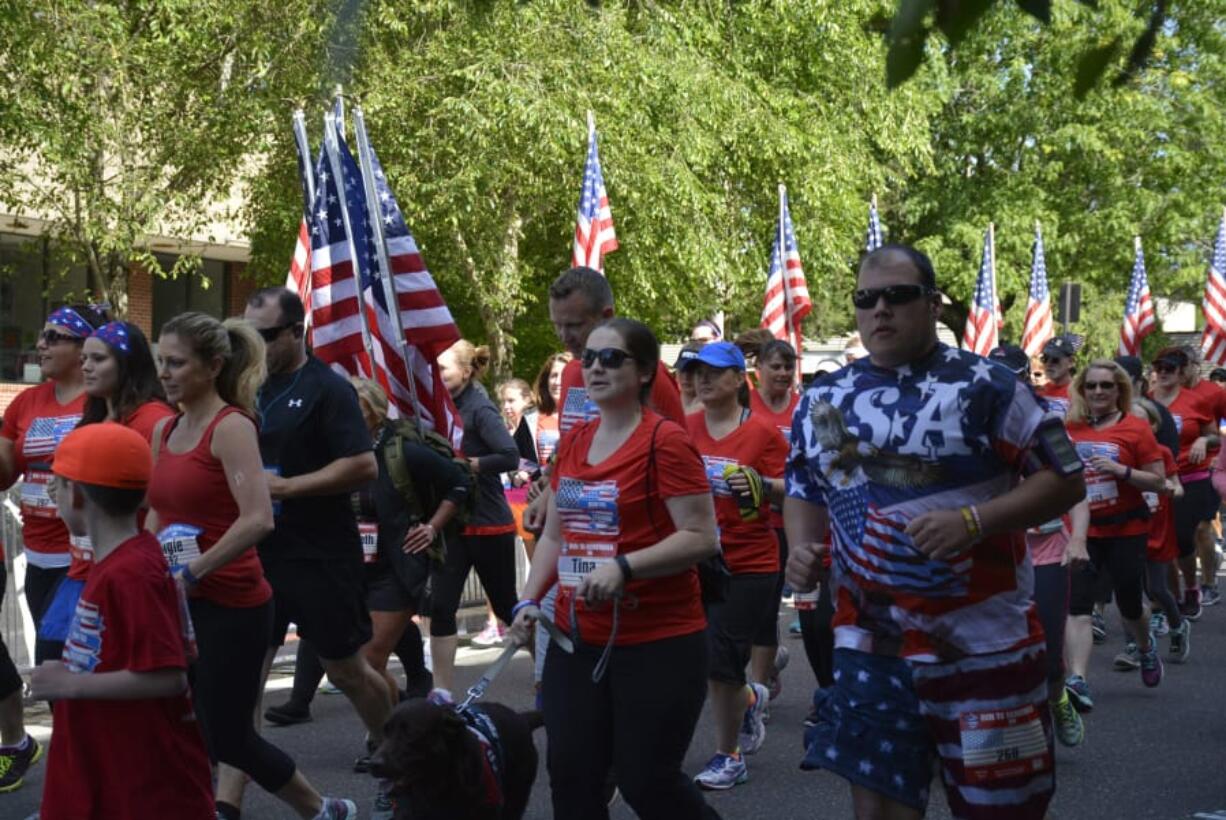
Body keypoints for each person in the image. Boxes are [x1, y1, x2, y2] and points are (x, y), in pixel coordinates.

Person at [785, 244, 1085, 820]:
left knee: (1001, 809)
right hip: (872, 648)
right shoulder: (823, 398)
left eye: (897, 296)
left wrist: (975, 521)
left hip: (986, 651)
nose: (880, 310)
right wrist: (802, 548)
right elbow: (805, 483)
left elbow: (1064, 477)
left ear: (931, 303)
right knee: (879, 810)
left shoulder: (988, 386)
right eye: (865, 299)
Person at [509, 318, 721, 820]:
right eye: (590, 359)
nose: (596, 368)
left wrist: (624, 568)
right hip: (575, 639)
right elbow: (557, 536)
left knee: (647, 782)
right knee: (572, 778)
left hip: (658, 642)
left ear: (646, 371)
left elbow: (701, 537)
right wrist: (527, 599)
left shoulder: (665, 442)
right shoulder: (577, 441)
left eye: (612, 358)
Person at [148, 311, 357, 820]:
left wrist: (192, 573)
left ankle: (323, 809)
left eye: (177, 363)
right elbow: (158, 509)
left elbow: (258, 519)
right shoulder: (163, 429)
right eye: (161, 362)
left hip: (233, 605)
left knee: (229, 738)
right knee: (179, 724)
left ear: (213, 366)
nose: (166, 373)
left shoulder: (233, 427)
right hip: (179, 603)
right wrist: (144, 563)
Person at [237, 287, 388, 788]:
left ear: (295, 332)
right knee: (245, 679)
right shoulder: (241, 386)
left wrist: (288, 487)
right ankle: (228, 800)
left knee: (346, 671)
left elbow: (364, 465)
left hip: (320, 553)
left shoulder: (328, 388)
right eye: (243, 336)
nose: (251, 347)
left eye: (262, 337)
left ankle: (393, 745)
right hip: (256, 550)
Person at [30, 422, 214, 819]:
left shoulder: (132, 572)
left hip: (140, 784)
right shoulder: (122, 562)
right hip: (110, 769)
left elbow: (169, 675)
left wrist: (70, 683)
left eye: (57, 485)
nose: (54, 495)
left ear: (76, 494)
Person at [0, 303, 106, 791]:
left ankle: (85, 778)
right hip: (38, 557)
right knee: (62, 670)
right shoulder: (26, 403)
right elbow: (6, 472)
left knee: (56, 664)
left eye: (54, 336)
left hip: (86, 558)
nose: (41, 344)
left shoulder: (101, 401)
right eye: (41, 335)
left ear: (84, 347)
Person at [679, 342, 787, 790]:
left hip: (751, 563)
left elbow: (795, 487)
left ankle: (730, 756)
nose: (702, 379)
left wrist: (762, 483)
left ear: (738, 380)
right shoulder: (685, 429)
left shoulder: (763, 433)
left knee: (719, 654)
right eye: (696, 371)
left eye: (713, 372)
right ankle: (750, 697)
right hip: (700, 562)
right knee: (702, 658)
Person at [36, 322, 176, 665]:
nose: (86, 367)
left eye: (98, 359)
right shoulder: (96, 415)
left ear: (126, 364)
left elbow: (160, 496)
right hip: (79, 567)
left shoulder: (153, 418)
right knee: (55, 666)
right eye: (84, 358)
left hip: (124, 569)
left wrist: (88, 487)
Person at [991, 345, 1089, 746]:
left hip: (1046, 550)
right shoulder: (965, 427)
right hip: (993, 555)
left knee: (1049, 658)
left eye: (1010, 379)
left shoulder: (1046, 424)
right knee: (988, 653)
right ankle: (1000, 734)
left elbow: (1076, 489)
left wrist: (1079, 538)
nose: (1002, 389)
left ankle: (1057, 695)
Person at [1064, 361, 1167, 692]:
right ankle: (1077, 679)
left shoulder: (1136, 428)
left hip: (1126, 529)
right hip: (1083, 531)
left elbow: (1159, 482)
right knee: (1077, 606)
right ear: (1082, 390)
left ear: (1119, 390)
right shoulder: (1070, 428)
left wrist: (1120, 470)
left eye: (1106, 385)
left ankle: (1146, 648)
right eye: (1091, 385)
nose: (1098, 392)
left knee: (1129, 602)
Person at [430, 339, 520, 694]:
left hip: (488, 523)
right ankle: (441, 693)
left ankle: (546, 673)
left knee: (506, 606)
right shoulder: (437, 406)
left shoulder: (480, 409)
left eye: (442, 369)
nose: (435, 376)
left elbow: (510, 456)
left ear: (465, 372)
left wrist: (470, 466)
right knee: (441, 607)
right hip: (451, 524)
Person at [744, 336, 801, 699]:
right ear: (758, 370)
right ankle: (769, 661)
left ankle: (758, 690)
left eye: (788, 366)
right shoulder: (743, 404)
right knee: (744, 609)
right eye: (775, 366)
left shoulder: (803, 407)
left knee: (767, 605)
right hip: (746, 519)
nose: (782, 372)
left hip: (787, 518)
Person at [1148, 346, 1216, 621]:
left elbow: (1216, 438)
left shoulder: (1195, 402)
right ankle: (1173, 597)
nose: (1163, 373)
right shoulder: (1146, 402)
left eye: (1169, 369)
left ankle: (1191, 587)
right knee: (1163, 544)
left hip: (1191, 478)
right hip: (1157, 480)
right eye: (1159, 368)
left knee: (1184, 540)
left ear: (1180, 372)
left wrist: (1203, 440)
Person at [1133, 398, 1189, 662]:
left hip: (1158, 531)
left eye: (1141, 421)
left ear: (1153, 426)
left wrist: (1171, 488)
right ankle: (1137, 643)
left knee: (1157, 589)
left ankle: (1178, 625)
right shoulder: (1120, 452)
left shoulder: (1163, 452)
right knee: (1132, 589)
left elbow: (1177, 486)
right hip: (1130, 530)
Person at [1178, 345, 1226, 606]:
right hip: (1175, 472)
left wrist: (1210, 443)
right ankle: (1189, 585)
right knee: (1181, 534)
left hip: (1208, 467)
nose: (1180, 371)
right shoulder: (1170, 395)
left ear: (1196, 365)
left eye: (1184, 365)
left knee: (1202, 528)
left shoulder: (1214, 393)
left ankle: (1208, 584)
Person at [1037, 335, 1077, 419]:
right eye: (1045, 359)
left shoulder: (1080, 393)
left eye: (1055, 359)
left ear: (1071, 362)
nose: (1048, 364)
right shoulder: (1039, 391)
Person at [675, 342, 705, 416]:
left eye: (692, 371)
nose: (686, 376)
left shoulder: (714, 409)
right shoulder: (667, 402)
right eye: (682, 369)